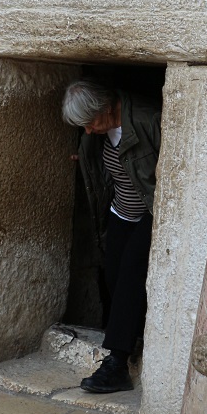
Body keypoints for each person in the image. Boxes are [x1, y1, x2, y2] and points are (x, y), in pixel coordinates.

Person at [62, 78, 161, 393]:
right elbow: (104, 164)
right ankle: (129, 334)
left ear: (105, 106)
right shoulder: (96, 131)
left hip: (149, 212)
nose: (89, 131)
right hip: (120, 212)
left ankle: (117, 363)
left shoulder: (148, 119)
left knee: (132, 276)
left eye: (90, 122)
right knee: (113, 278)